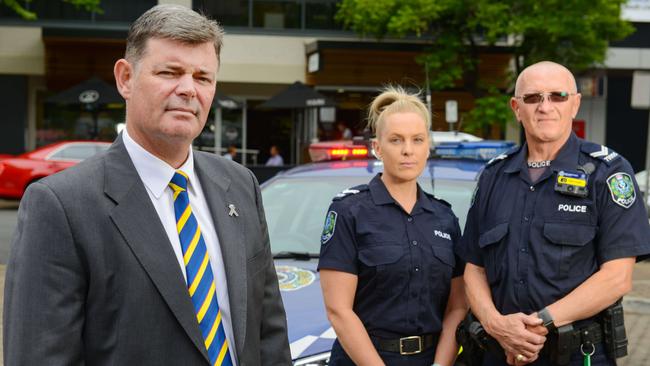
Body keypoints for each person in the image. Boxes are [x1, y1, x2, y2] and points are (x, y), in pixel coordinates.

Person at [3, 5, 291, 365]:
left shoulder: (239, 184)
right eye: (170, 72)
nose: (188, 89)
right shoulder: (61, 204)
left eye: (203, 78)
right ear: (125, 78)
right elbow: (40, 355)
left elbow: (269, 330)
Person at [460, 61, 650, 366]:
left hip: (577, 355)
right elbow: (474, 269)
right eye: (533, 98)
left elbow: (617, 277)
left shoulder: (608, 172)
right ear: (516, 108)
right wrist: (496, 324)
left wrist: (536, 327)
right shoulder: (493, 176)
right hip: (499, 350)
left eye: (557, 96)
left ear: (575, 104)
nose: (544, 107)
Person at [318, 86, 467, 365]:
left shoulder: (444, 218)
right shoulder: (349, 211)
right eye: (396, 140)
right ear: (377, 147)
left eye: (417, 140)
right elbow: (338, 310)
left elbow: (457, 307)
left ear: (428, 147)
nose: (408, 150)